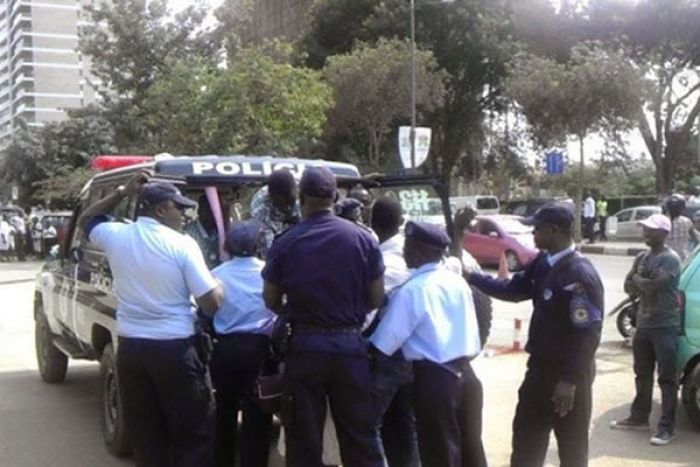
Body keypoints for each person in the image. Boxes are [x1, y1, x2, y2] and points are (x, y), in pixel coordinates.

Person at [79, 172, 224, 467]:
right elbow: (211, 304)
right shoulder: (182, 244)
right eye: (178, 208)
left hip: (132, 350)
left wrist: (122, 192)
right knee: (193, 434)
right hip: (176, 351)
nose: (185, 214)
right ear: (160, 210)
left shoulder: (117, 235)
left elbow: (88, 219)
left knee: (147, 436)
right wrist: (220, 287)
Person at [262, 166, 385, 467]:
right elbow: (376, 299)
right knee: (359, 437)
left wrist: (299, 313)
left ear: (301, 197)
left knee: (304, 440)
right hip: (350, 348)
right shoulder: (363, 239)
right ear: (335, 196)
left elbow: (270, 299)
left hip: (305, 349)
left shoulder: (286, 241)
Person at [467, 203, 604, 467]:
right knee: (526, 441)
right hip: (540, 369)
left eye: (537, 229)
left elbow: (587, 334)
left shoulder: (579, 274)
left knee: (572, 449)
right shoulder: (543, 262)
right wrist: (473, 277)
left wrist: (569, 380)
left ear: (554, 230)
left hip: (569, 375)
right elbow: (514, 290)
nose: (532, 234)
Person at [370, 221, 486, 467]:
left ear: (420, 252)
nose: (404, 253)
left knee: (439, 455)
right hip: (469, 377)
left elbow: (383, 344)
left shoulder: (412, 291)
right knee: (470, 453)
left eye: (409, 247)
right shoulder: (457, 282)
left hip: (436, 381)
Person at [610, 214, 681, 446]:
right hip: (644, 325)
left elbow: (650, 287)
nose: (645, 233)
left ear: (664, 233)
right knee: (642, 374)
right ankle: (639, 417)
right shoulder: (642, 256)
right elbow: (627, 285)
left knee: (667, 379)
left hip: (665, 326)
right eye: (645, 229)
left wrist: (640, 280)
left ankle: (666, 428)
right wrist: (642, 281)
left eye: (650, 230)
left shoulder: (670, 259)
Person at [210, 220, 276, 467]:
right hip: (260, 352)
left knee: (223, 414)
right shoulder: (268, 272)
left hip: (225, 350)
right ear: (258, 245)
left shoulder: (217, 274)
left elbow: (205, 309)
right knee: (258, 418)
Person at [367, 196, 419, 467]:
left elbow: (367, 312)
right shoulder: (411, 253)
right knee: (405, 425)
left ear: (371, 223)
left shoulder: (384, 261)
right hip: (414, 353)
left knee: (367, 424)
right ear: (400, 223)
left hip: (389, 355)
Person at [250, 169, 300, 259]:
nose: (287, 208)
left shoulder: (305, 191)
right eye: (281, 204)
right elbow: (267, 247)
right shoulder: (260, 206)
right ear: (271, 198)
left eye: (290, 202)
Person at [185, 194, 221, 269]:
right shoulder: (189, 232)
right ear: (199, 211)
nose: (211, 214)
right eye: (207, 210)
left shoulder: (218, 229)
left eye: (214, 211)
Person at [664, 194, 698, 261]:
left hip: (665, 257)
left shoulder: (662, 221)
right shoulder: (687, 221)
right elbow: (696, 240)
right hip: (682, 258)